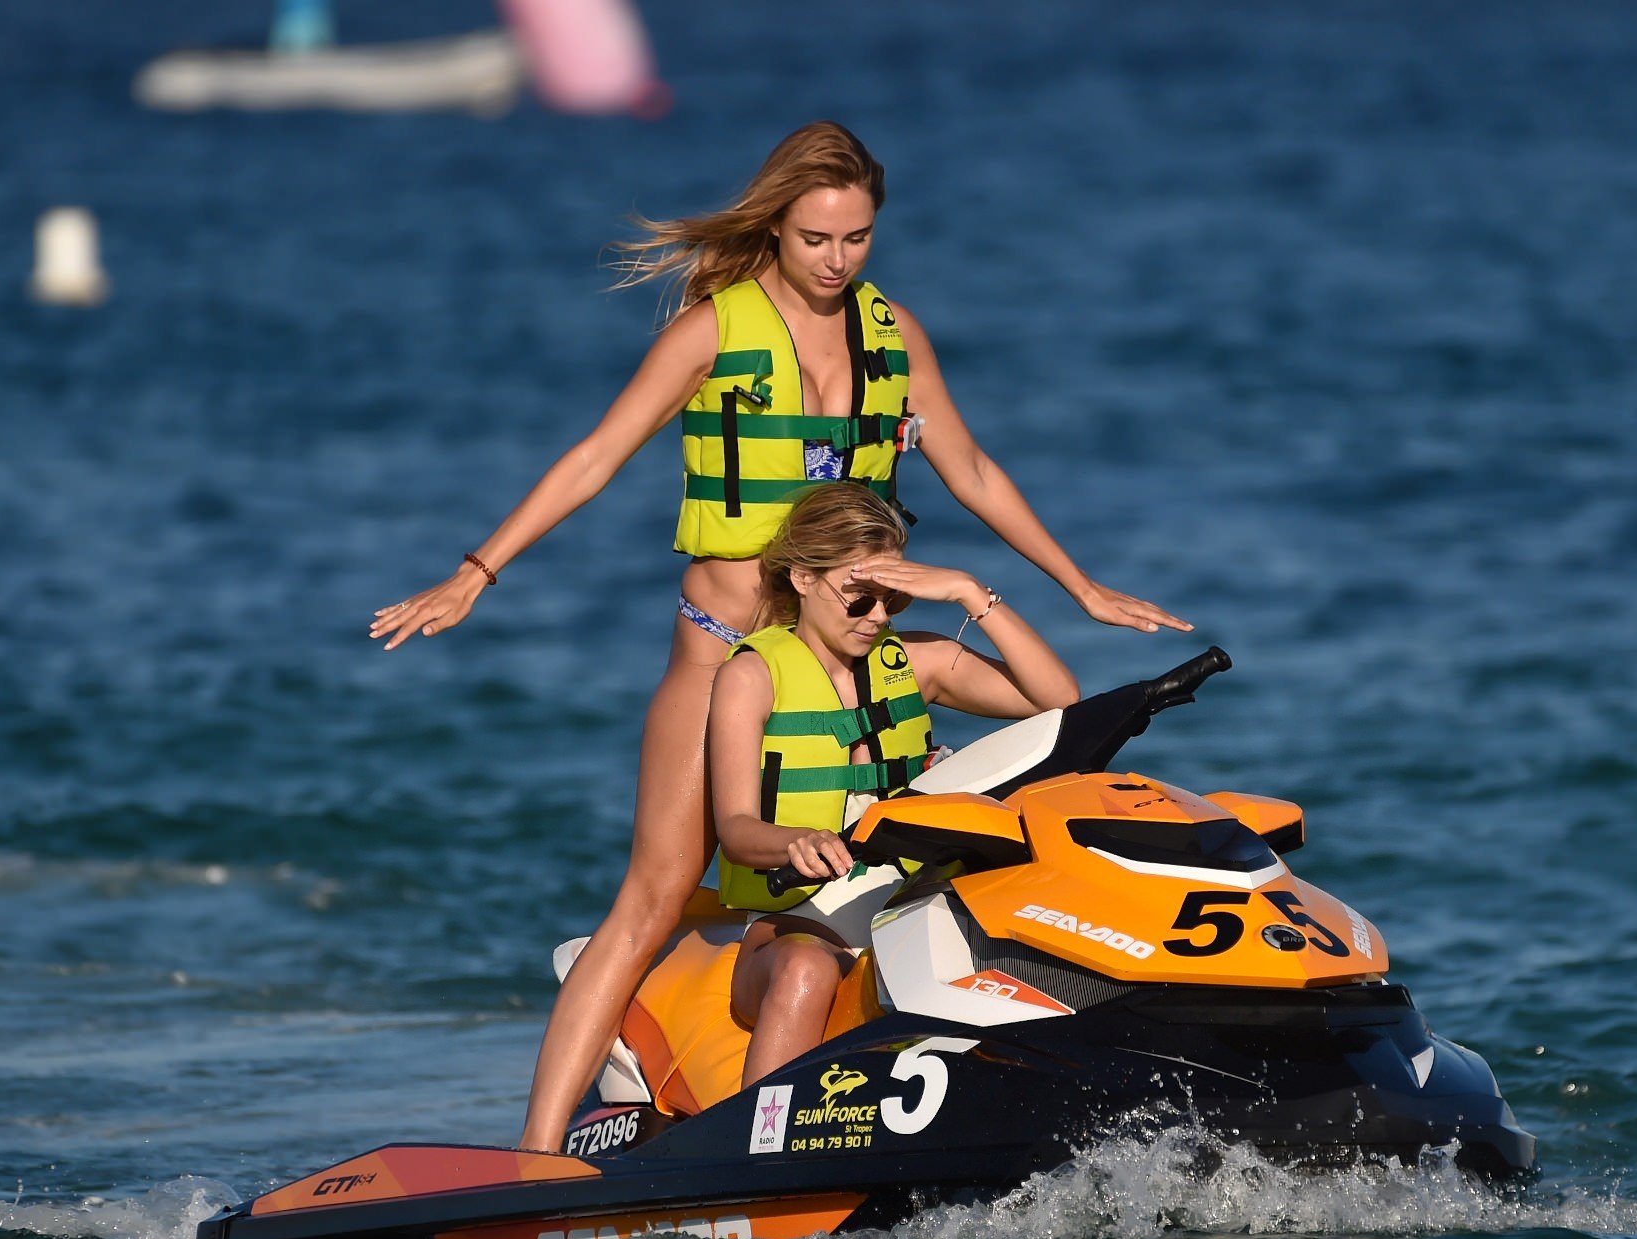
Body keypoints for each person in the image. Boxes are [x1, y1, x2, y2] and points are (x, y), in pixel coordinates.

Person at [366, 121, 1190, 1153]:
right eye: (813, 239)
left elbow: (970, 470)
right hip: (721, 654)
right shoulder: (714, 330)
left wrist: (1078, 585)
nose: (835, 261)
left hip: (842, 657)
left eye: (855, 239)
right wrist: (476, 572)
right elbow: (595, 455)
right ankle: (533, 1160)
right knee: (654, 896)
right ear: (776, 225)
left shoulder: (893, 334)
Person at [712, 483, 1078, 1084]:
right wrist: (796, 840)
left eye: (894, 600)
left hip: (916, 906)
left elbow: (1058, 699)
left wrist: (967, 592)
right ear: (803, 579)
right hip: (804, 919)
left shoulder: (916, 663)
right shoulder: (753, 675)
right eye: (860, 598)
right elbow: (737, 831)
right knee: (807, 972)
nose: (878, 616)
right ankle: (754, 1152)